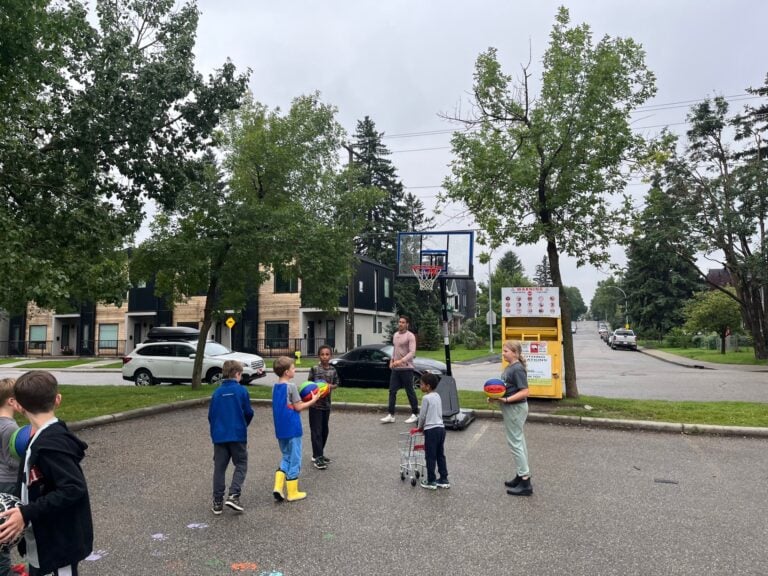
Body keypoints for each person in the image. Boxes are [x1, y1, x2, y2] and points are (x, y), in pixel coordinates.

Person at [0, 370, 93, 576]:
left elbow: (73, 488)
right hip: (41, 542)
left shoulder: (51, 444)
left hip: (59, 547)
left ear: (18, 406)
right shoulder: (36, 440)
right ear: (58, 399)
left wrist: (26, 513)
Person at [271, 356, 321, 502]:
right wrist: (314, 400)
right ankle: (292, 493)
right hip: (293, 428)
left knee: (286, 456)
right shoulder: (291, 386)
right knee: (295, 459)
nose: (295, 370)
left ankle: (278, 487)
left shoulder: (275, 387)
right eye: (293, 368)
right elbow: (298, 407)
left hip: (281, 429)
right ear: (287, 372)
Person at [208, 360, 253, 515]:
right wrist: (244, 425)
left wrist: (215, 432)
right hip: (237, 434)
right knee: (241, 463)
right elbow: (248, 412)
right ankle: (234, 494)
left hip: (220, 435)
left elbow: (211, 415)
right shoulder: (241, 391)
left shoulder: (217, 393)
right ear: (238, 374)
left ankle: (217, 501)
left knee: (219, 468)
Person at [488, 341, 533, 496]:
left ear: (515, 353)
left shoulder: (517, 369)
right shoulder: (510, 367)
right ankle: (521, 475)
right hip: (511, 408)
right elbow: (506, 388)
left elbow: (525, 391)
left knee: (515, 443)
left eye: (506, 351)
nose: (503, 353)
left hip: (515, 408)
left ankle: (525, 482)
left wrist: (506, 400)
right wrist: (494, 396)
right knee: (519, 441)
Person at [380, 315, 419, 424]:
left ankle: (415, 414)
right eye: (399, 322)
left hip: (407, 368)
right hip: (396, 369)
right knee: (392, 391)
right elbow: (395, 350)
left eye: (403, 322)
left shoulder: (410, 336)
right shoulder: (395, 335)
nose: (400, 324)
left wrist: (400, 361)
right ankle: (391, 415)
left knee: (409, 391)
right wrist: (392, 360)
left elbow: (412, 352)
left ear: (407, 324)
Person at [414, 373, 449, 490]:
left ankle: (431, 480)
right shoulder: (437, 396)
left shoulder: (426, 398)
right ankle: (444, 478)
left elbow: (422, 415)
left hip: (431, 430)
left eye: (421, 384)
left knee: (430, 456)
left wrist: (419, 427)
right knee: (440, 454)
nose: (420, 386)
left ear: (428, 386)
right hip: (441, 428)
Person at [307, 345, 339, 470]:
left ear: (330, 356)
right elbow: (308, 384)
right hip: (315, 405)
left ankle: (318, 454)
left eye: (327, 354)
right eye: (322, 354)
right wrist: (316, 387)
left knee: (325, 431)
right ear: (318, 356)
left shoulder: (333, 370)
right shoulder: (314, 369)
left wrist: (329, 386)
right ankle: (318, 457)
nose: (325, 357)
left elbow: (336, 383)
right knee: (316, 431)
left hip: (326, 405)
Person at [0, 378, 19, 576]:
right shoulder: (10, 427)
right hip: (7, 482)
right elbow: (11, 461)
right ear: (11, 401)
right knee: (6, 530)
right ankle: (4, 571)